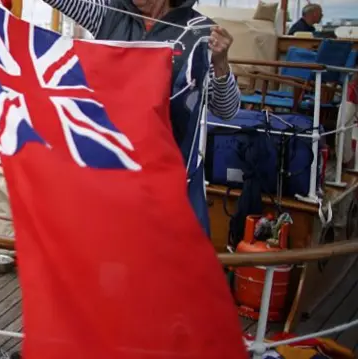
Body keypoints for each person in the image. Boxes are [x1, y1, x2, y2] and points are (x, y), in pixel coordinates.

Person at [42, 0, 240, 236]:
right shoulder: (108, 14)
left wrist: (221, 64)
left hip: (167, 181)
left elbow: (226, 110)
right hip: (109, 170)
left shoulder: (201, 33)